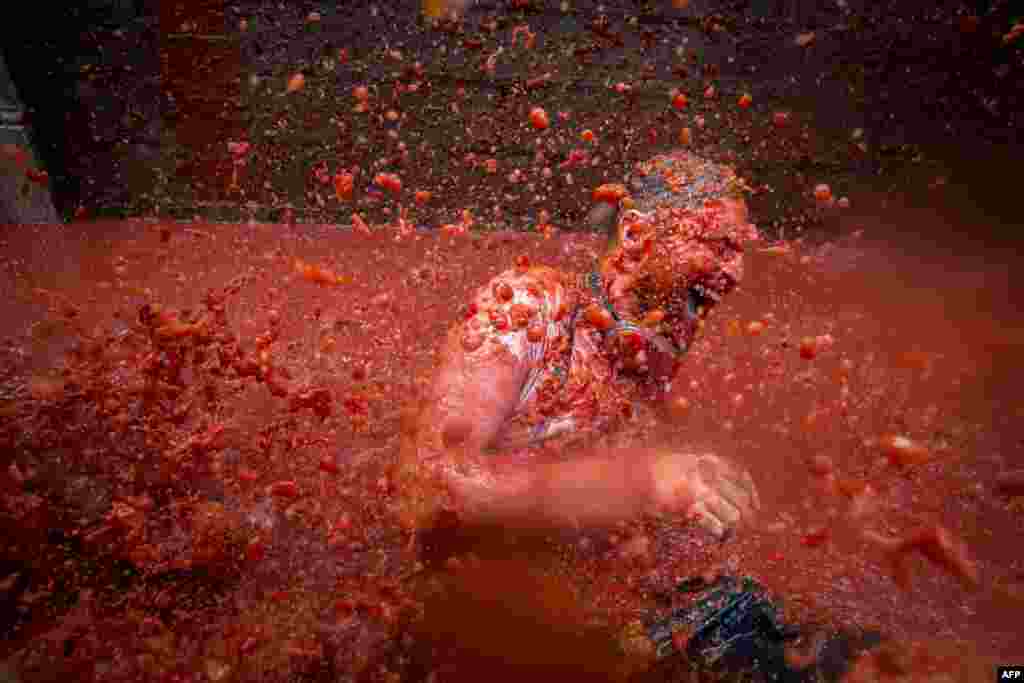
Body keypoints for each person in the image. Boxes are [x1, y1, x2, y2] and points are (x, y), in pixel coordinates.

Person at [396, 149, 762, 541]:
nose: (736, 273)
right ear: (635, 234)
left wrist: (688, 502)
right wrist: (646, 484)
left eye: (740, 252)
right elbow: (432, 488)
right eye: (719, 247)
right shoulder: (531, 308)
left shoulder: (646, 368)